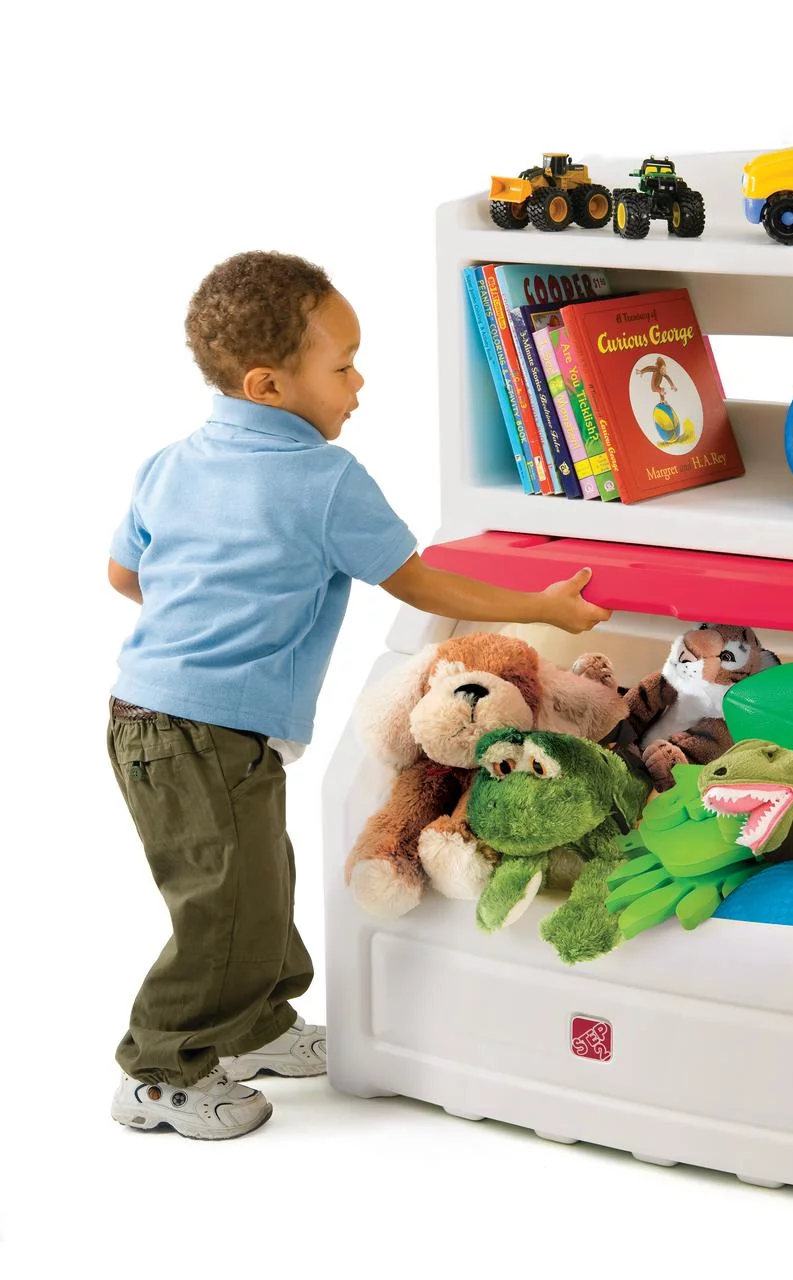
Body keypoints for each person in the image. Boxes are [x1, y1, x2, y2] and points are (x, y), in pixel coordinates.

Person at [106, 250, 610, 1140]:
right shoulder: (324, 479)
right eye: (342, 367)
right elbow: (420, 583)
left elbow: (124, 575)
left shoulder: (172, 463)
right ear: (268, 385)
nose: (359, 383)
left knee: (259, 883)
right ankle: (158, 1070)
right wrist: (542, 606)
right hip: (199, 729)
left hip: (152, 718)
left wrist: (204, 614)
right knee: (224, 910)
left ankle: (255, 1026)